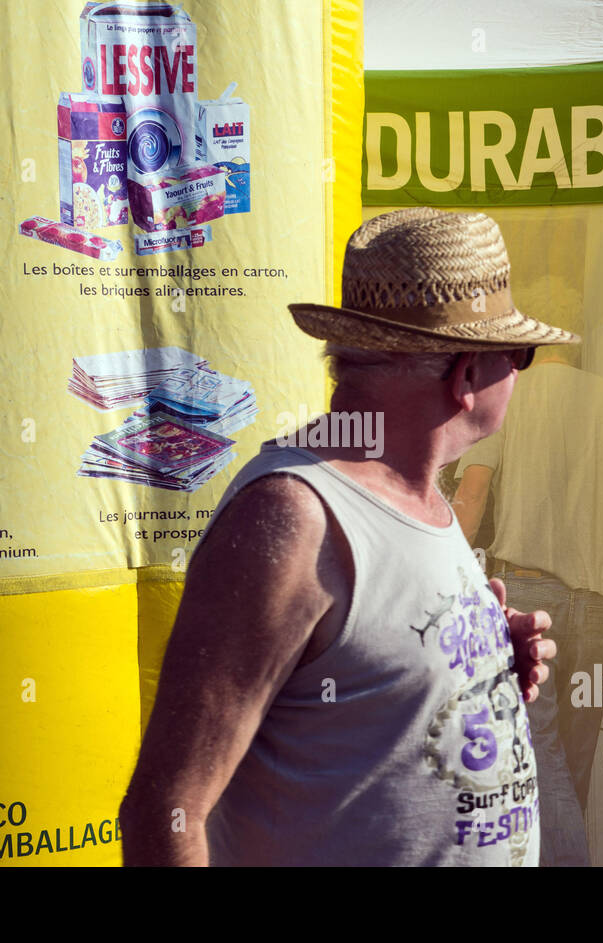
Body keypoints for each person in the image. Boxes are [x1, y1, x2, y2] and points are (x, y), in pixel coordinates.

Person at [119, 207, 579, 866]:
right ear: (467, 376)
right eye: (520, 354)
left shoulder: (418, 500)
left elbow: (361, 687)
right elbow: (164, 812)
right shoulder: (292, 516)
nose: (520, 373)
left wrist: (475, 666)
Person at [452, 345, 603, 866]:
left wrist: (444, 580)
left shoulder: (507, 394)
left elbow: (471, 496)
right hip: (594, 606)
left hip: (524, 601)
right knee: (573, 763)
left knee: (539, 758)